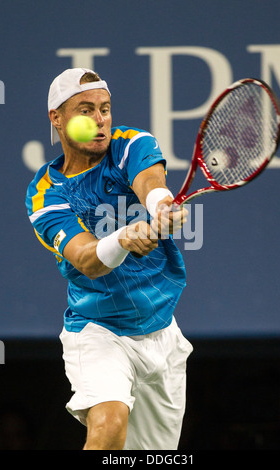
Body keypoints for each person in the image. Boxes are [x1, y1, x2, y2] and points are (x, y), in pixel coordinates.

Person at [25, 68, 193, 450]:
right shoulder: (45, 193)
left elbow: (149, 182)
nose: (100, 121)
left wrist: (161, 205)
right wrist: (124, 237)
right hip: (98, 330)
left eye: (105, 108)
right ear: (57, 118)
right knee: (109, 422)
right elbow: (86, 258)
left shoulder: (130, 144)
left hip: (162, 332)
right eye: (86, 110)